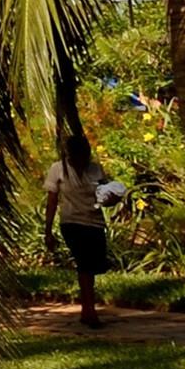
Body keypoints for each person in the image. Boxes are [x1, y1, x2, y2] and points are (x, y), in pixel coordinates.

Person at [41, 134, 118, 329]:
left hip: (94, 222)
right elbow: (52, 201)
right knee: (84, 263)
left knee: (95, 265)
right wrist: (48, 231)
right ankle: (88, 310)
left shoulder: (95, 170)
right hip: (72, 222)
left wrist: (112, 198)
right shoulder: (58, 169)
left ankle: (88, 305)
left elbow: (104, 195)